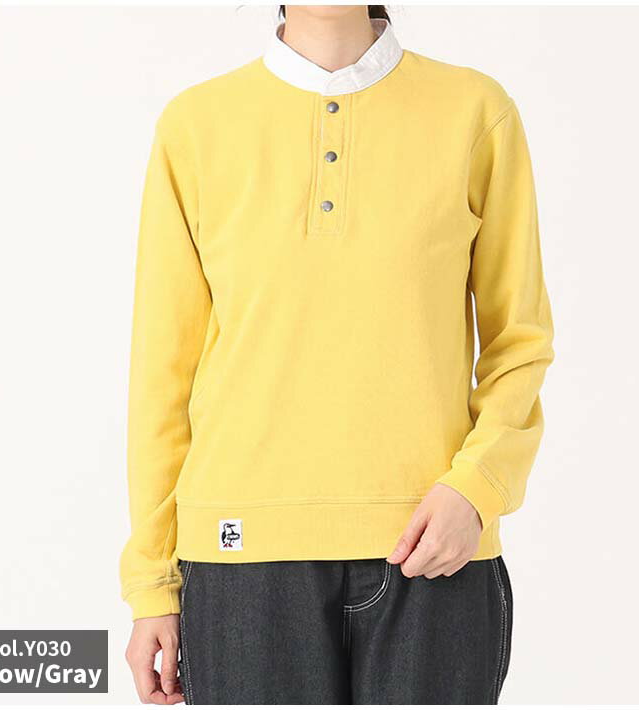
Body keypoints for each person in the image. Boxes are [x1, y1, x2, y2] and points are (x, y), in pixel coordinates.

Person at [121, 4, 554, 704]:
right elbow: (161, 375)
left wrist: (476, 490)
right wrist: (152, 584)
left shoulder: (476, 112)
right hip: (241, 561)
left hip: (434, 550)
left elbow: (520, 341)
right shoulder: (195, 126)